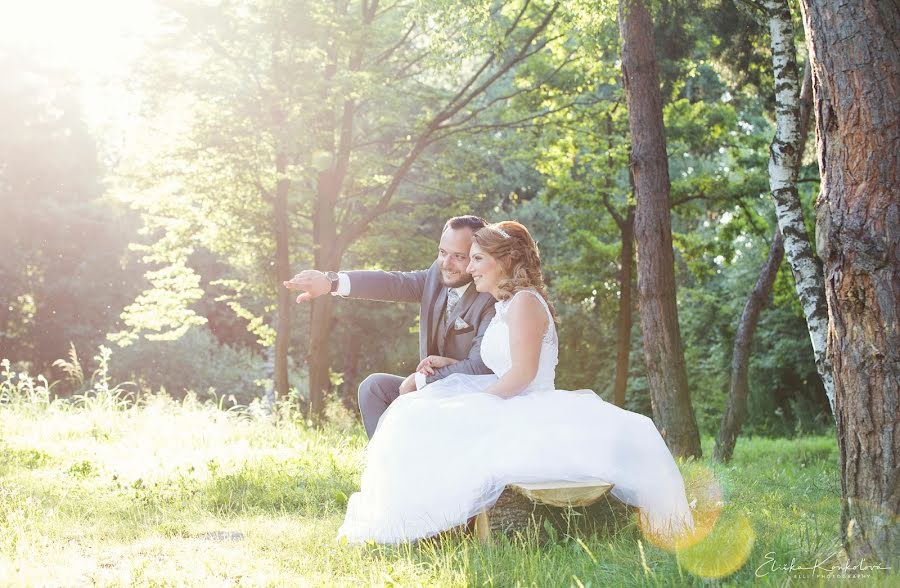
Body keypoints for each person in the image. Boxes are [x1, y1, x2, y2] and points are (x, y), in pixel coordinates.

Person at [336, 221, 695, 545]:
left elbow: (523, 374)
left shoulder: (524, 302)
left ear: (503, 262)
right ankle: (419, 514)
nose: (470, 268)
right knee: (416, 412)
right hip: (512, 398)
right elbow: (497, 362)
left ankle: (429, 520)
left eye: (477, 259)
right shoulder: (508, 303)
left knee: (427, 417)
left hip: (529, 403)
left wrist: (479, 403)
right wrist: (449, 364)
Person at [283, 215, 497, 439]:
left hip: (469, 398)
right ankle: (383, 465)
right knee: (373, 388)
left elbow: (479, 369)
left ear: (477, 256)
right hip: (432, 391)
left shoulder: (489, 296)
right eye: (442, 252)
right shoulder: (437, 274)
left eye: (459, 257)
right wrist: (332, 282)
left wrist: (421, 380)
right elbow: (393, 283)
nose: (446, 263)